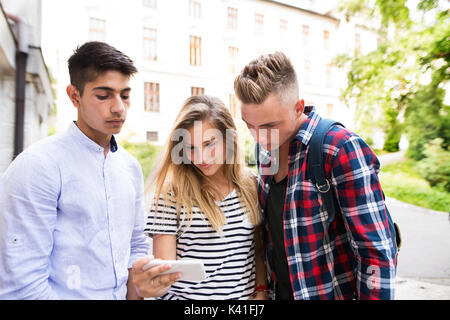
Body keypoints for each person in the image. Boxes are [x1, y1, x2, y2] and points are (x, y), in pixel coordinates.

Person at [0, 41, 160, 299]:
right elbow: (22, 285)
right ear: (75, 95)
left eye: (125, 95)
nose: (119, 107)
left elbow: (136, 245)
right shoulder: (37, 167)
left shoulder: (130, 168)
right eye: (103, 95)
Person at [233, 52, 398, 300]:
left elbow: (376, 252)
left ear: (299, 107)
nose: (259, 138)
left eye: (269, 126)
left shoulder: (340, 148)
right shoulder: (266, 155)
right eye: (249, 125)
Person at [132, 95, 268, 300]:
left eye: (209, 143)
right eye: (191, 148)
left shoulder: (251, 185)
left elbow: (257, 251)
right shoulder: (170, 196)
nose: (201, 158)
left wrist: (261, 292)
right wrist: (147, 285)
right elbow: (165, 279)